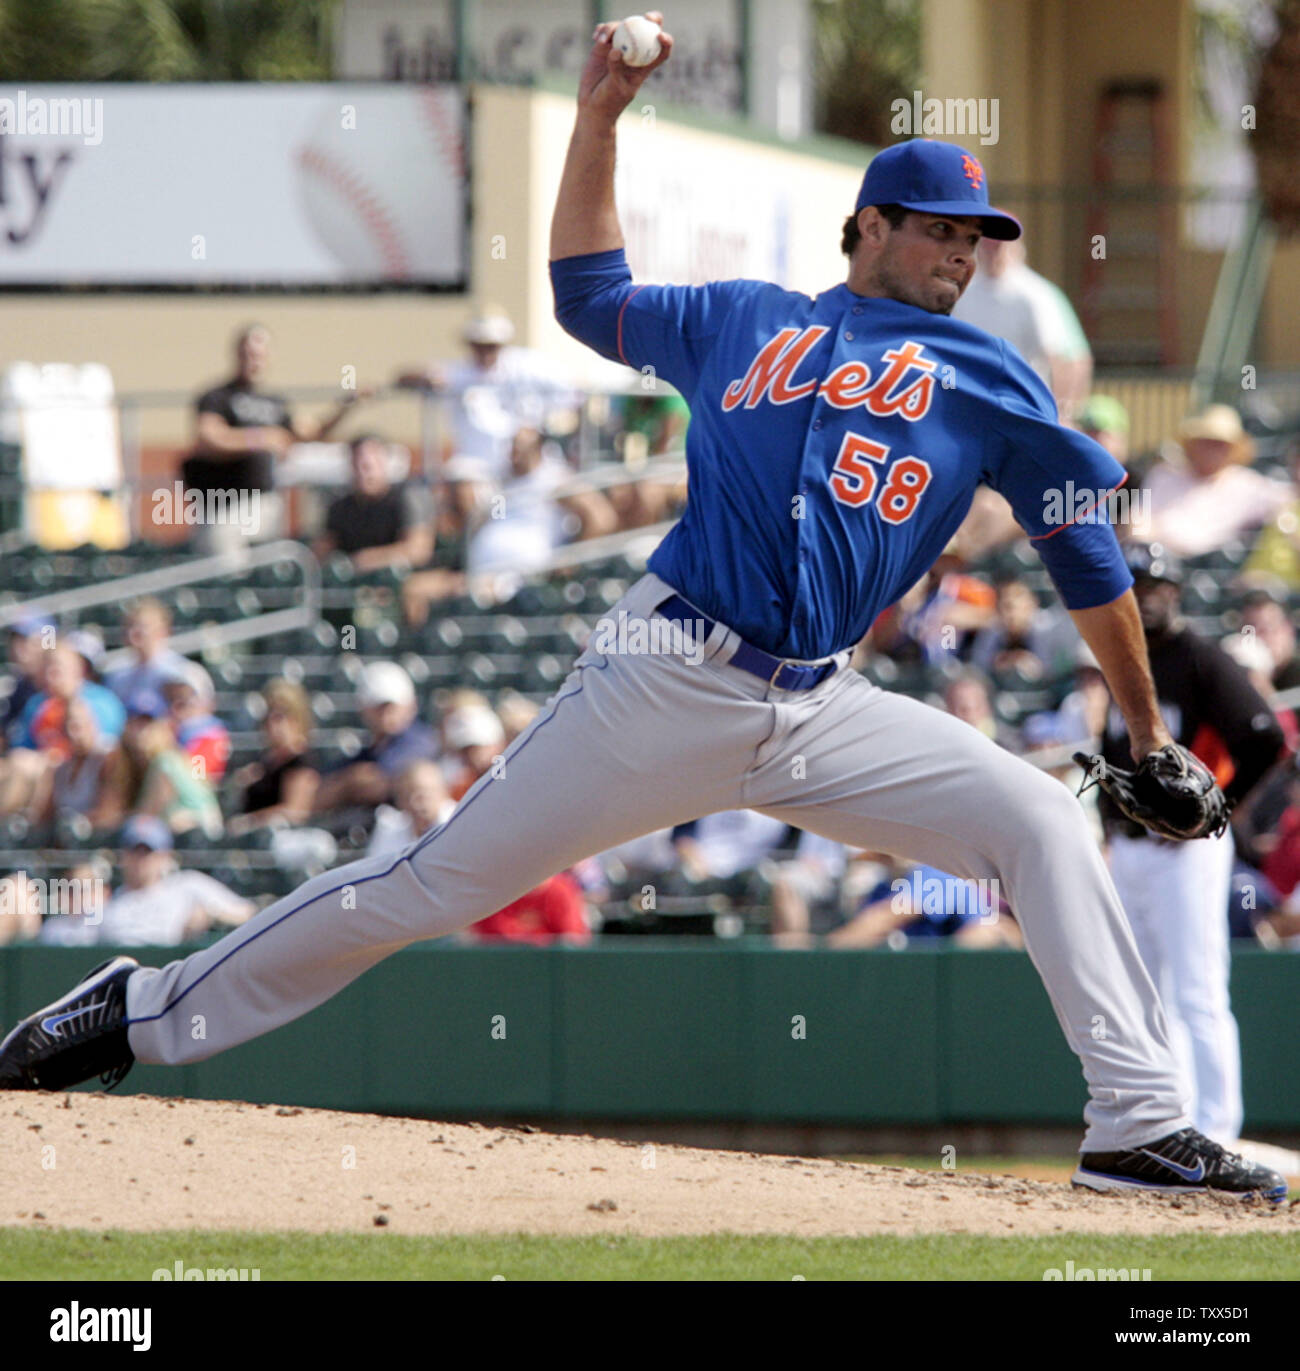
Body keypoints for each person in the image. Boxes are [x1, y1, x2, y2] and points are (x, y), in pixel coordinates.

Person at [0, 24, 1284, 1202]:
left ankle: (1134, 1122)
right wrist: (600, 119)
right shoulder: (741, 319)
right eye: (939, 227)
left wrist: (1142, 734)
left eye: (975, 234)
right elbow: (584, 294)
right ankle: (139, 1010)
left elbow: (1084, 552)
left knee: (1036, 824)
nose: (962, 250)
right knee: (429, 884)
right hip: (664, 671)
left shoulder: (990, 376)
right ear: (867, 227)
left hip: (820, 704)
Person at [1100, 543, 1285, 1147]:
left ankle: (1217, 1131)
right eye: (1136, 587)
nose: (1146, 597)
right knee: (1143, 993)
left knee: (1197, 991)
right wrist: (1109, 824)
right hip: (1131, 847)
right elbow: (1111, 753)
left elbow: (1263, 737)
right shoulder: (1122, 658)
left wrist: (1217, 812)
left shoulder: (1200, 659)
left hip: (1188, 851)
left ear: (1175, 593)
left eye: (1155, 586)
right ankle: (1163, 1127)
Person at [184, 323, 369, 551]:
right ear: (237, 354)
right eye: (249, 354)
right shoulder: (217, 397)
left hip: (264, 505)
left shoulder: (275, 403)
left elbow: (310, 432)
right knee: (225, 573)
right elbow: (209, 437)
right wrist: (260, 438)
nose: (254, 360)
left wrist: (345, 406)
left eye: (260, 355)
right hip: (223, 506)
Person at [396, 308, 582, 484]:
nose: (485, 352)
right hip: (478, 468)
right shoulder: (459, 373)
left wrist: (552, 431)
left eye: (491, 346)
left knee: (573, 494)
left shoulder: (529, 367)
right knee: (478, 498)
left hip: (531, 465)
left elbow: (575, 390)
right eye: (479, 345)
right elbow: (404, 378)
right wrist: (428, 378)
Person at [952, 237, 1092, 422]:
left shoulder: (1039, 295)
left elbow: (1070, 360)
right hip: (972, 407)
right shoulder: (960, 292)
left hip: (1025, 408)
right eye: (987, 246)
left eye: (999, 246)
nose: (993, 253)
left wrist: (1063, 415)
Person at [1129, 405, 1292, 559]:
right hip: (1158, 560)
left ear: (1232, 450)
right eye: (1206, 442)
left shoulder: (1247, 484)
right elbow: (1139, 518)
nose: (1212, 450)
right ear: (1192, 445)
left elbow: (1288, 500)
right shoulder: (1163, 475)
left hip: (1213, 568)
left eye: (1220, 445)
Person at [94, 816, 254, 948]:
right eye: (134, 852)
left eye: (148, 853)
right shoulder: (107, 901)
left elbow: (247, 913)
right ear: (123, 855)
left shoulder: (187, 885)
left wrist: (211, 915)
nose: (140, 860)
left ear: (165, 856)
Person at [312, 662, 438, 815]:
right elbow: (318, 798)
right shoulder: (369, 753)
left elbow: (382, 784)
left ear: (412, 705)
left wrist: (348, 783)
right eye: (379, 706)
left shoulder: (421, 742)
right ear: (363, 708)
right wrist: (349, 781)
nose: (387, 713)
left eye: (393, 705)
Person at [313, 435, 433, 573]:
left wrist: (367, 560)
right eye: (357, 465)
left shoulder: (407, 498)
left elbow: (418, 551)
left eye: (369, 465)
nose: (364, 473)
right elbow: (323, 549)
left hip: (404, 580)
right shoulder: (342, 507)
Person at [103, 599, 188, 707]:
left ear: (162, 630)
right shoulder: (117, 675)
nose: (133, 632)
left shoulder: (180, 672)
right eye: (129, 626)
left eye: (142, 626)